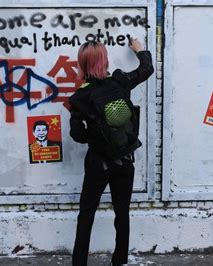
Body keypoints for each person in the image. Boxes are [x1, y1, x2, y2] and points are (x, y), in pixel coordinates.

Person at [69, 38, 154, 266]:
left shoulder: (78, 98)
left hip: (98, 162)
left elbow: (76, 135)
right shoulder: (119, 82)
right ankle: (119, 262)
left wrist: (95, 135)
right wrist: (138, 49)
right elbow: (147, 69)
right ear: (104, 60)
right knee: (121, 214)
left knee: (86, 214)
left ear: (83, 64)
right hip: (124, 159)